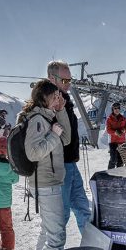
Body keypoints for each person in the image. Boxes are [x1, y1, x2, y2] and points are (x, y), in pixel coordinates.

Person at [20, 79, 67, 250]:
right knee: (56, 238)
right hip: (46, 185)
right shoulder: (39, 120)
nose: (59, 98)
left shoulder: (45, 118)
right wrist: (53, 135)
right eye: (55, 95)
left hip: (47, 183)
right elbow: (34, 152)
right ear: (44, 97)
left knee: (50, 234)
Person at [48, 60, 91, 233]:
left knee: (83, 208)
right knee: (61, 215)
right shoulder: (48, 101)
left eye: (70, 80)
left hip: (71, 164)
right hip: (60, 166)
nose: (68, 84)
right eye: (64, 81)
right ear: (52, 78)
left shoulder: (64, 100)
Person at [105, 102, 126, 169]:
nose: (117, 110)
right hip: (113, 142)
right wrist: (115, 132)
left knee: (121, 161)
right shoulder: (109, 119)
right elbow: (108, 130)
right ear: (112, 109)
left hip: (122, 142)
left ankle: (119, 175)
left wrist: (123, 130)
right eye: (115, 108)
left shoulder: (123, 119)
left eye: (118, 108)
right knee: (113, 160)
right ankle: (110, 174)